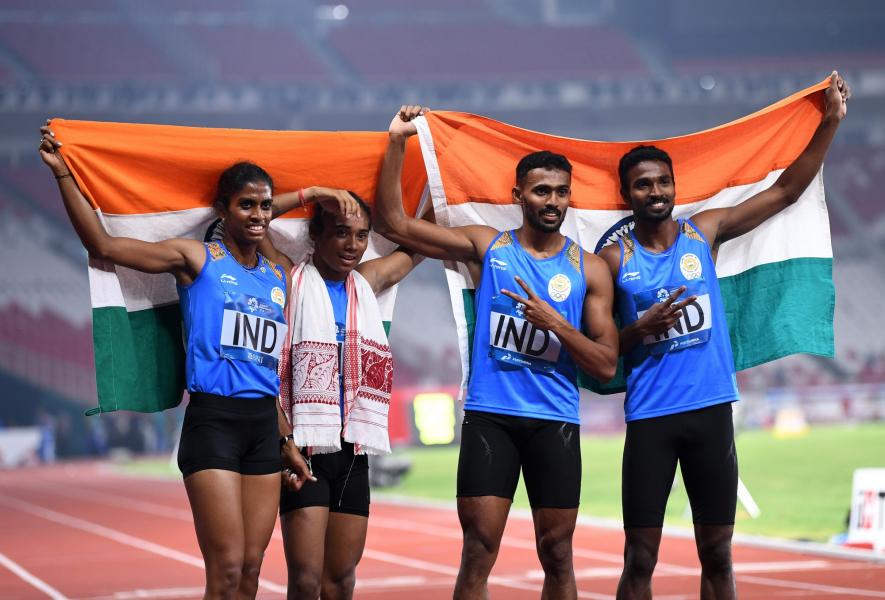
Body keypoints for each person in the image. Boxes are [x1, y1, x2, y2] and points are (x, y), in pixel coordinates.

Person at [38, 123, 355, 600]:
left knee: (251, 569)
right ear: (222, 210)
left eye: (266, 205)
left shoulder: (278, 275)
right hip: (213, 423)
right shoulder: (197, 259)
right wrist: (64, 176)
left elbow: (262, 368)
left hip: (263, 429)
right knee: (226, 570)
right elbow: (104, 247)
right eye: (245, 204)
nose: (258, 214)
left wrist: (285, 436)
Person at [597, 72, 850, 600]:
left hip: (712, 411)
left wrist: (827, 123)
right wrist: (639, 331)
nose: (655, 191)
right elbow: (599, 353)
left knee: (717, 553)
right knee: (639, 557)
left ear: (674, 186)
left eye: (662, 181)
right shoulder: (613, 259)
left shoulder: (704, 232)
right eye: (643, 184)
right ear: (627, 194)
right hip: (649, 419)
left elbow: (785, 191)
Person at [374, 106, 619, 599]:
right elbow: (394, 221)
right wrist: (398, 141)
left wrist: (555, 326)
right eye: (541, 191)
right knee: (479, 550)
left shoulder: (589, 270)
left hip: (555, 421)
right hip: (493, 417)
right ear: (518, 196)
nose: (552, 201)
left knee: (558, 554)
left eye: (561, 192)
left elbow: (606, 364)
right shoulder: (489, 249)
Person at [263, 190, 425, 600]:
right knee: (304, 580)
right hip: (306, 447)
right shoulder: (288, 278)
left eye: (361, 235)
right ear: (315, 235)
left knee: (341, 581)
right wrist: (313, 194)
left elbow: (421, 241)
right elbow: (259, 221)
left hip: (353, 450)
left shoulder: (366, 283)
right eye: (340, 232)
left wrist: (442, 187)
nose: (353, 245)